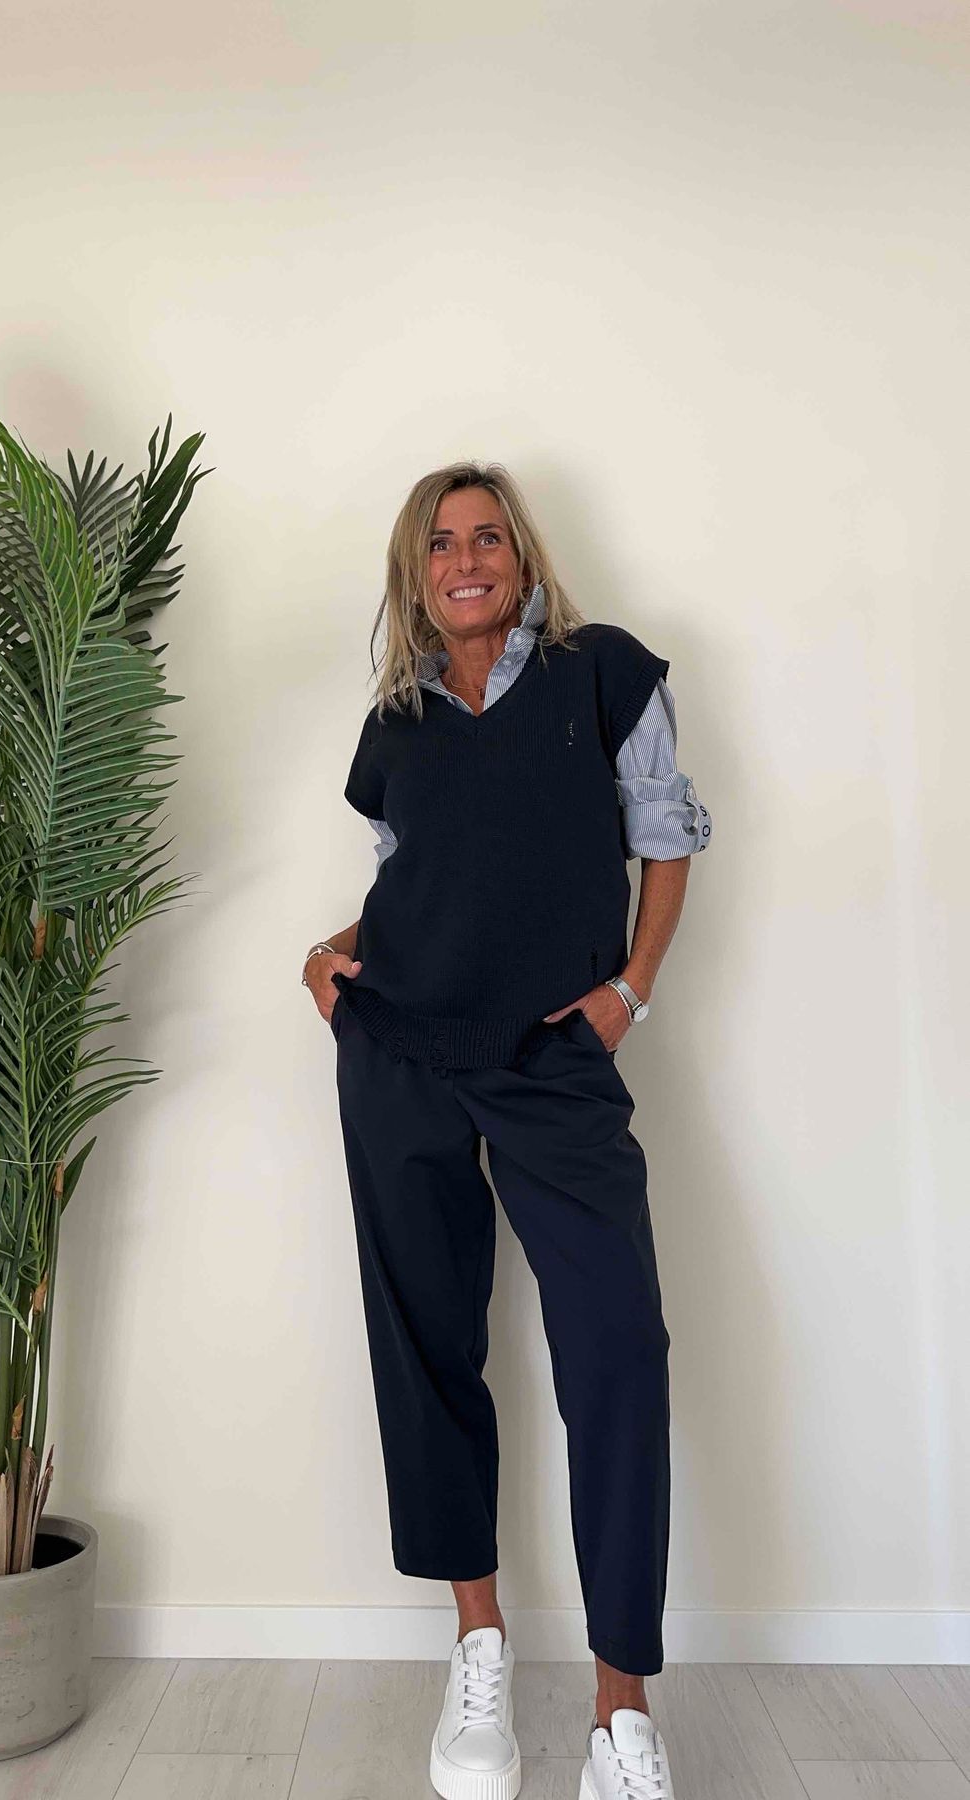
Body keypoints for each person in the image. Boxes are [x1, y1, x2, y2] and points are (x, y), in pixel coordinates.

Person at [303, 462, 712, 1800]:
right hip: (403, 1054)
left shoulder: (601, 677)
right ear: (414, 575)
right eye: (440, 543)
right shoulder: (399, 724)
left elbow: (666, 836)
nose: (465, 559)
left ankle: (619, 1713)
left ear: (522, 558)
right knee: (427, 1341)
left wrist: (628, 992)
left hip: (552, 1057)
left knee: (616, 1349)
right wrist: (332, 955)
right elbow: (418, 883)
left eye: (486, 537)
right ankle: (477, 1647)